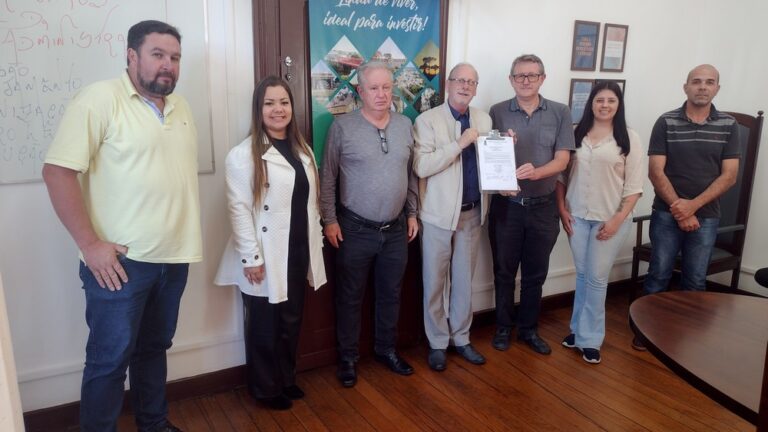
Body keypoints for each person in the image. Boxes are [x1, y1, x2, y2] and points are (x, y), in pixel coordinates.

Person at [42, 20, 199, 432]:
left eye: (175, 57)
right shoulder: (98, 99)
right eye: (158, 55)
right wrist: (90, 244)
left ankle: (154, 424)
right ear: (131, 56)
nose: (168, 65)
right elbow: (57, 172)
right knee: (109, 361)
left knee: (153, 349)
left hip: (174, 257)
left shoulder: (180, 107)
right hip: (120, 264)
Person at [214, 76, 326, 410]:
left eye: (284, 102)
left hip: (297, 249)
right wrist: (251, 258)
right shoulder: (243, 154)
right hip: (264, 253)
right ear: (258, 109)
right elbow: (238, 209)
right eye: (269, 103)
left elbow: (311, 203)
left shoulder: (302, 149)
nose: (278, 110)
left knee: (291, 320)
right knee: (265, 325)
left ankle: (286, 378)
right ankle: (265, 388)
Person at [320, 60, 419, 388]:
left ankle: (385, 350)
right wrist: (329, 221)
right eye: (373, 88)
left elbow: (411, 174)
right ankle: (348, 358)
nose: (381, 94)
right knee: (350, 297)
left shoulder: (406, 125)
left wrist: (412, 213)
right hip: (354, 229)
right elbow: (328, 178)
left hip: (395, 230)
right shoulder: (343, 127)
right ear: (359, 91)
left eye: (387, 87)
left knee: (390, 294)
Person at [634, 64, 740, 350]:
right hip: (665, 214)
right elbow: (656, 171)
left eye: (709, 82)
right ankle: (645, 332)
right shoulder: (666, 121)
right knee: (658, 273)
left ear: (717, 88)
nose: (702, 87)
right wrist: (679, 209)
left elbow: (729, 176)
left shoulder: (728, 125)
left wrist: (692, 207)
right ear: (686, 87)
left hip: (705, 217)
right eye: (696, 82)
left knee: (695, 279)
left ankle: (686, 342)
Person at [488, 54, 575, 355]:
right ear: (511, 79)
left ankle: (528, 330)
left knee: (535, 274)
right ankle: (502, 328)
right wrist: (503, 150)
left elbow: (563, 159)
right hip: (507, 207)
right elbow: (489, 156)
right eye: (519, 75)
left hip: (543, 206)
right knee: (503, 272)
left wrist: (537, 172)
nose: (525, 80)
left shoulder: (560, 112)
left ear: (542, 78)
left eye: (532, 75)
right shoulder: (497, 111)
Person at [555, 81, 644, 364]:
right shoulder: (574, 133)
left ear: (619, 105)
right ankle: (577, 331)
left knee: (596, 278)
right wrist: (562, 210)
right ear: (591, 103)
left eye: (611, 100)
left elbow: (634, 187)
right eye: (599, 100)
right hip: (577, 217)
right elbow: (561, 177)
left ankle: (591, 339)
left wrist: (617, 219)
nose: (604, 105)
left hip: (610, 220)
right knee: (582, 275)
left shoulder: (629, 138)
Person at [412, 63, 490, 371]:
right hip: (437, 216)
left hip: (472, 214)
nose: (465, 86)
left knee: (463, 283)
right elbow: (422, 166)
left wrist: (504, 149)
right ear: (448, 83)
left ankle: (462, 338)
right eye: (460, 80)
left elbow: (489, 164)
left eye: (471, 81)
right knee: (434, 282)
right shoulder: (427, 121)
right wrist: (459, 144)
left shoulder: (484, 118)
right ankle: (437, 342)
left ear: (476, 87)